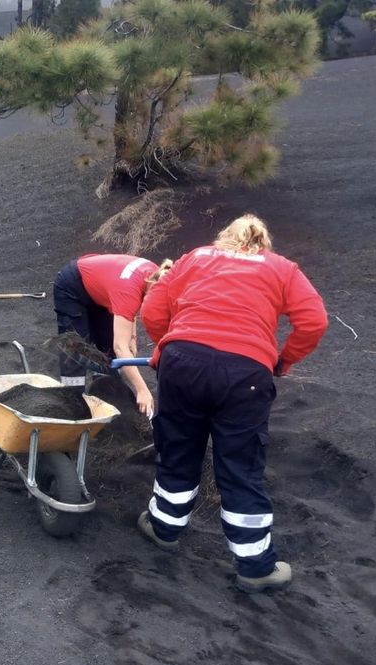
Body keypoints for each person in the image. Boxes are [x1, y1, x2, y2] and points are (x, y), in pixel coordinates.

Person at [138, 214, 328, 593]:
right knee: (240, 465)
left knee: (178, 446)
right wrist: (282, 360)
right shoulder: (282, 270)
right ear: (263, 243)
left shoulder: (195, 258)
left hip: (182, 363)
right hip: (245, 375)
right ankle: (255, 567)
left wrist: (169, 345)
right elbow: (314, 322)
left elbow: (153, 311)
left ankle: (164, 529)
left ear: (224, 238)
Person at [52, 253, 165, 415]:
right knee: (75, 346)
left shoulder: (155, 274)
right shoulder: (128, 290)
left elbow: (132, 304)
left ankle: (105, 391)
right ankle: (72, 400)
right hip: (72, 285)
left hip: (102, 289)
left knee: (106, 345)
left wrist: (132, 337)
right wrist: (142, 390)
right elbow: (121, 347)